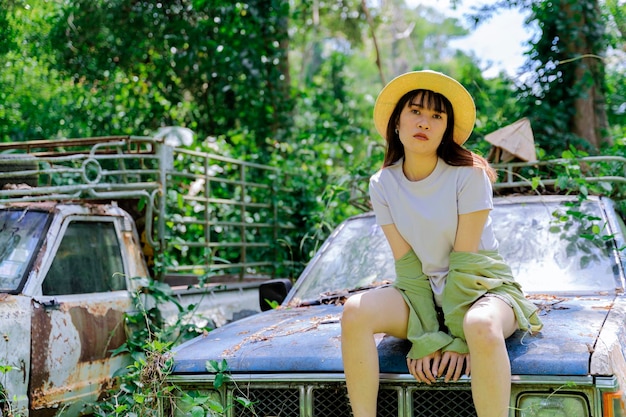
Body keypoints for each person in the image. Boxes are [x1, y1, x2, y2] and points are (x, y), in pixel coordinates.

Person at [340, 70, 542, 417]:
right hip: (424, 295)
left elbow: (466, 264)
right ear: (397, 123)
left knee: (479, 325)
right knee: (355, 310)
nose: (425, 123)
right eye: (416, 111)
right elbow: (407, 266)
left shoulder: (469, 174)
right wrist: (427, 337)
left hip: (482, 289)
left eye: (437, 116)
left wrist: (460, 338)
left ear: (446, 129)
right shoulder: (383, 183)